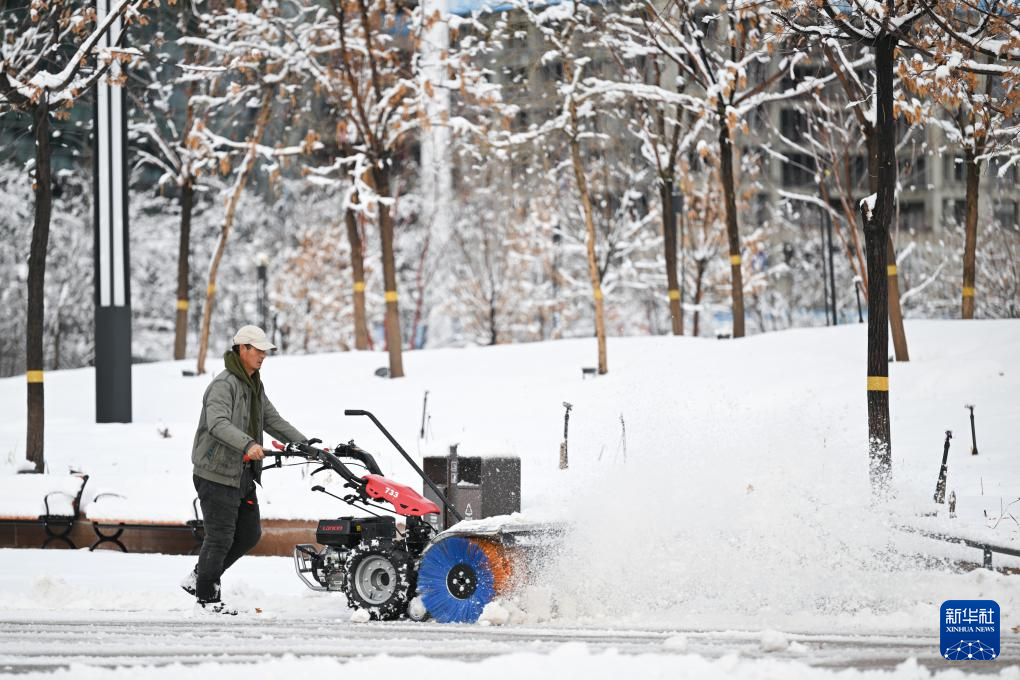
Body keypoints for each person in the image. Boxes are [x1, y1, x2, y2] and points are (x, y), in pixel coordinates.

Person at [182, 325, 307, 614]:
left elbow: (272, 420)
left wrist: (306, 444)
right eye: (258, 350)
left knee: (249, 534)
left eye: (265, 351)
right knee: (220, 537)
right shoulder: (223, 385)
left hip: (242, 474)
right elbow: (217, 424)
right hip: (216, 473)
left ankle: (199, 577)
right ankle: (207, 598)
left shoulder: (254, 385)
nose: (263, 355)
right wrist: (248, 444)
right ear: (242, 349)